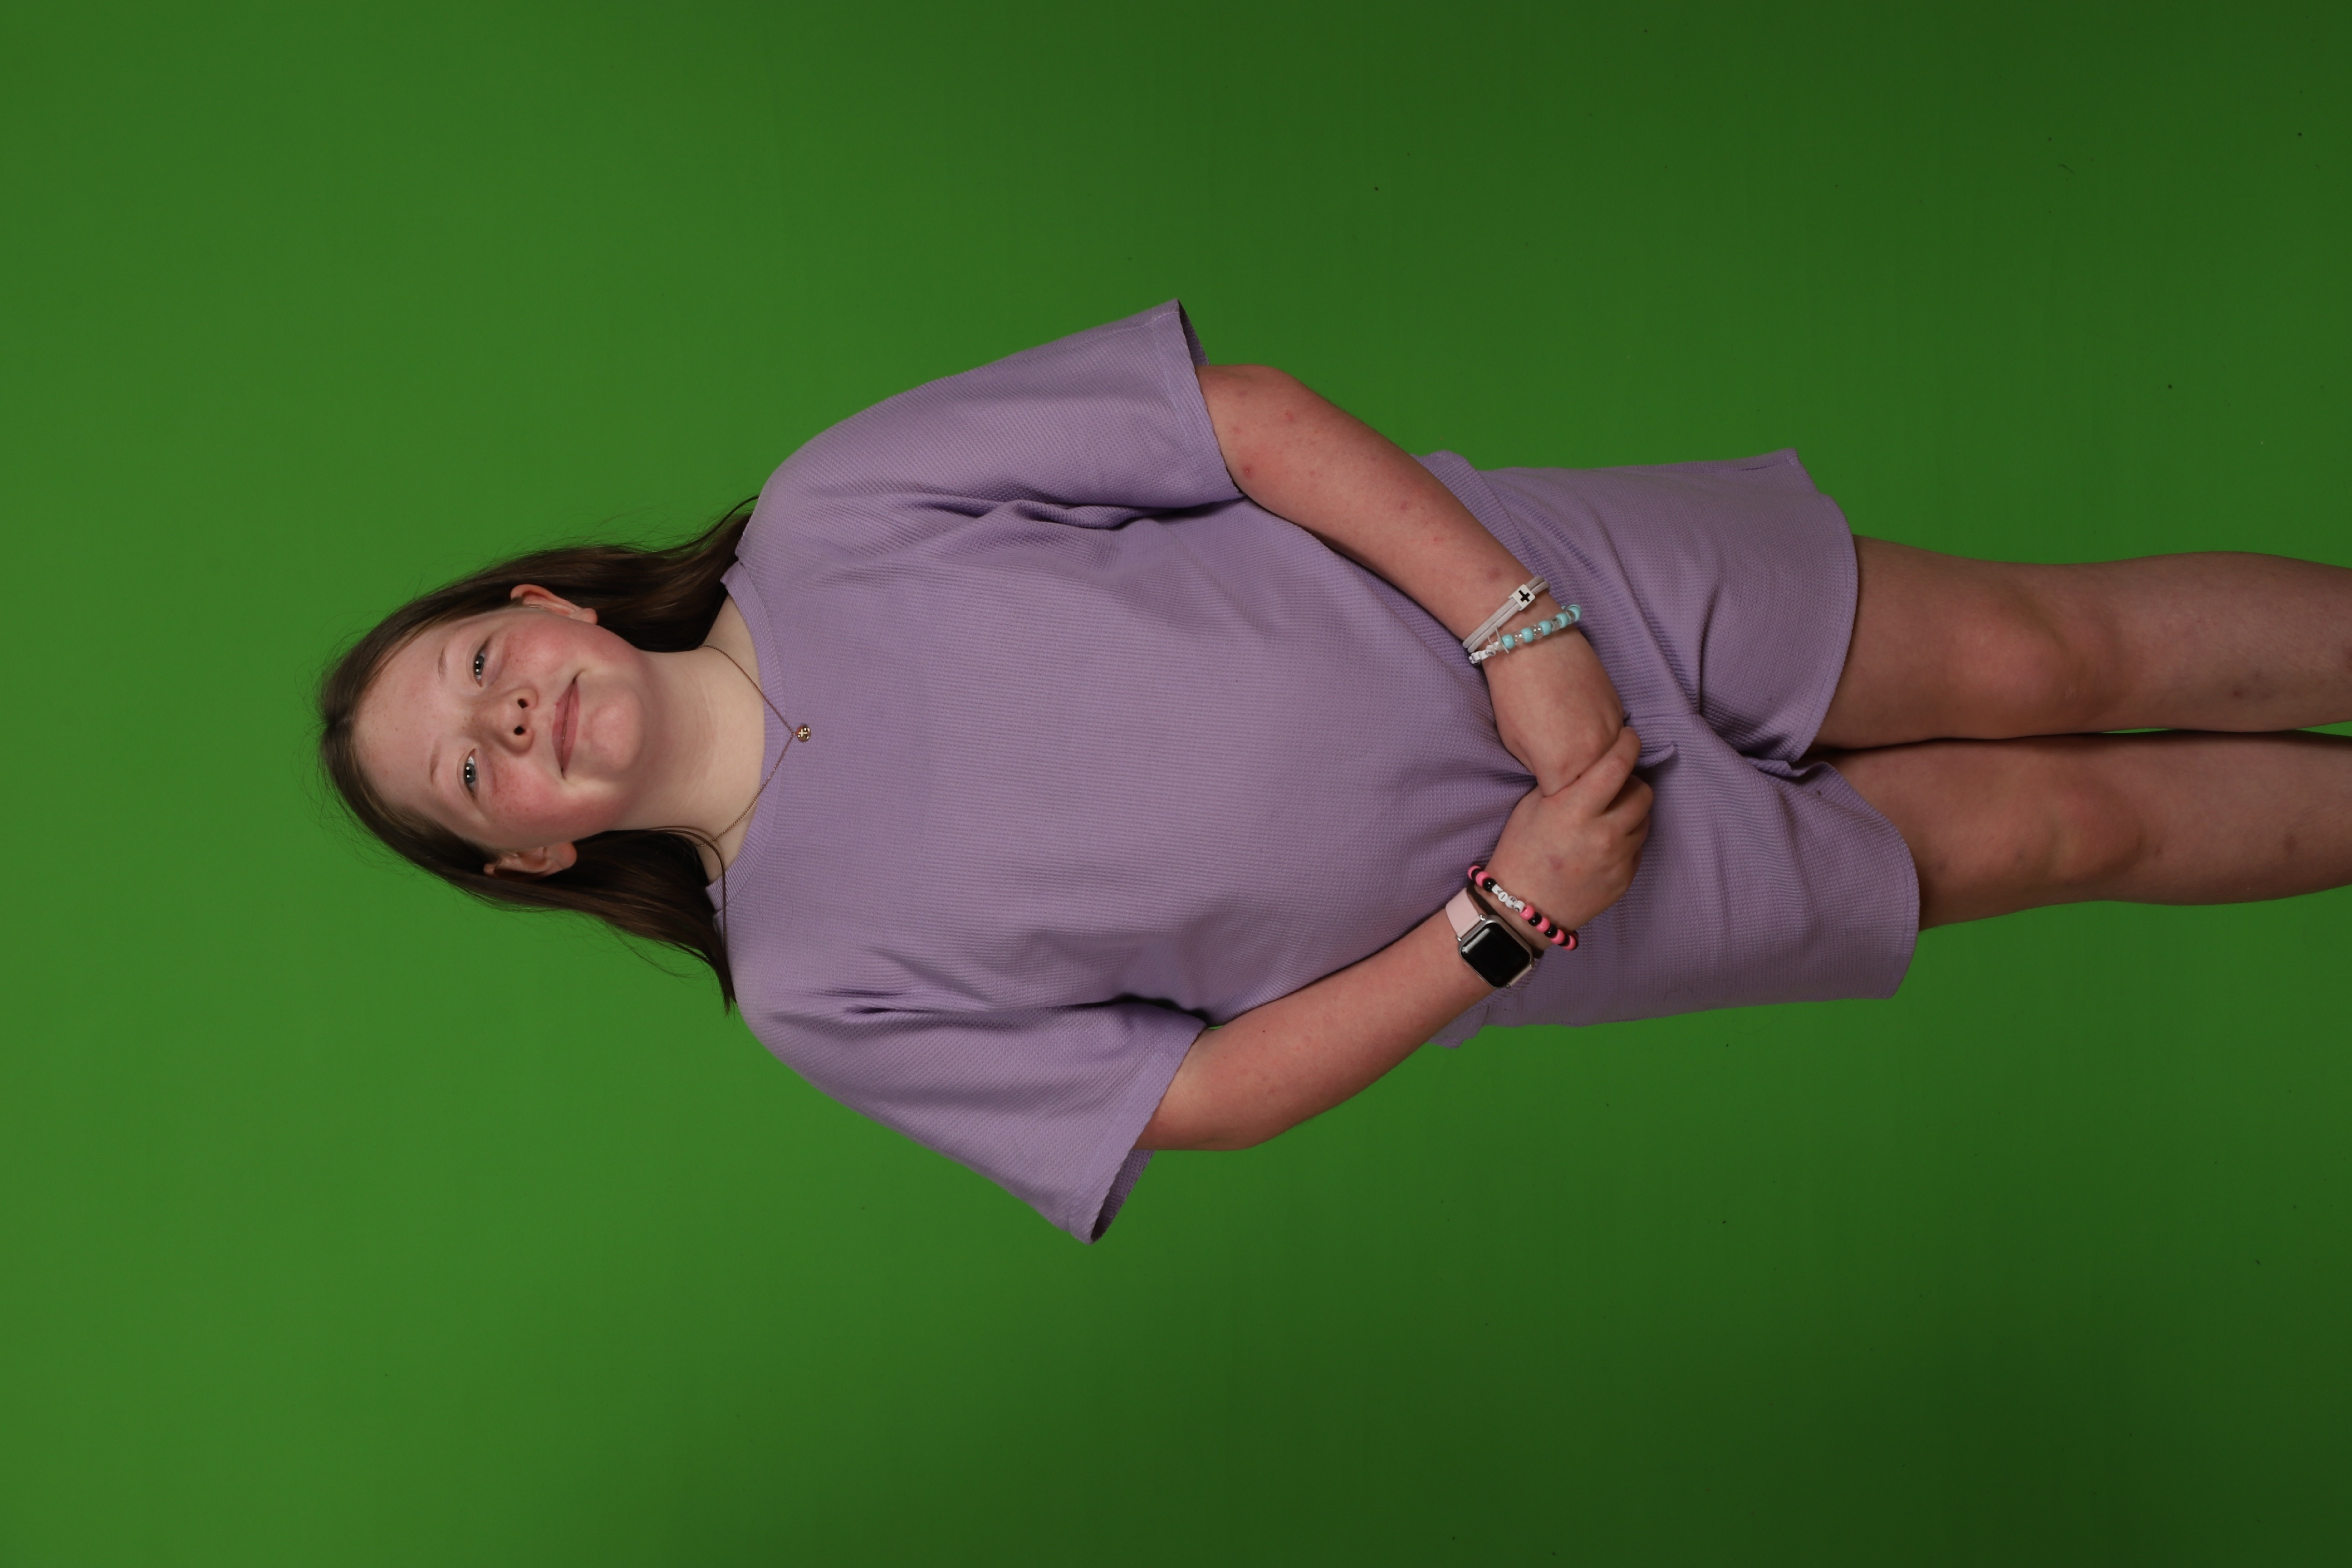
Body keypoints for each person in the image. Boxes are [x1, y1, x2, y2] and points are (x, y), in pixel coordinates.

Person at [320, 302, 2352, 1242]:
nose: (509, 723)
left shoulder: (839, 506)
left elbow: (1241, 422)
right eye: (471, 777)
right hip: (1576, 889)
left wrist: (1524, 633)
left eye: (481, 671)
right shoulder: (813, 989)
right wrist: (1515, 914)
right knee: (2063, 822)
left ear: (544, 608)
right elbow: (1193, 1099)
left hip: (1554, 590)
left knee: (2039, 653)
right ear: (529, 857)